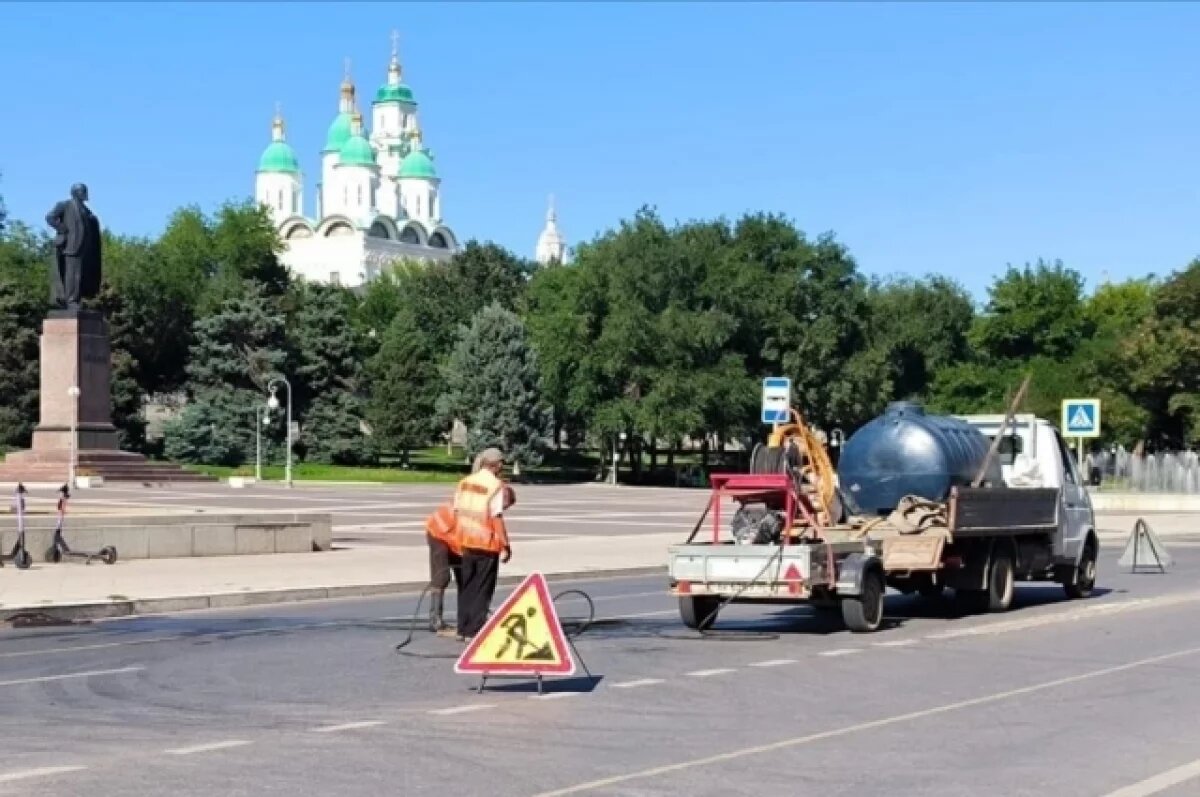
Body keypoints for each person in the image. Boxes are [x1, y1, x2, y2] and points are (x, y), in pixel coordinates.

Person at [453, 447, 513, 641]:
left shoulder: (465, 482)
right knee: (482, 588)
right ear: (497, 465)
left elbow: (456, 511)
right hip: (486, 543)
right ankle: (475, 630)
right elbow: (496, 517)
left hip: (466, 541)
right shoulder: (495, 485)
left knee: (467, 586)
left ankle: (462, 628)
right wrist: (505, 544)